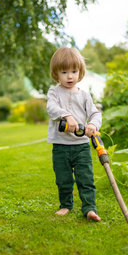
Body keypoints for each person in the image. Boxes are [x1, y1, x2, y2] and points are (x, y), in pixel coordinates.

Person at [46, 46, 102, 222]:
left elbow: (95, 113)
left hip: (81, 146)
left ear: (80, 72)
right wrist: (67, 115)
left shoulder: (84, 95)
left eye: (74, 71)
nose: (69, 76)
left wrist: (92, 124)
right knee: (63, 179)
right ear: (56, 74)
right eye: (64, 72)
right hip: (61, 146)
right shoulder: (54, 92)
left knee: (86, 178)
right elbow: (51, 108)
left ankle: (89, 208)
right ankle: (65, 205)